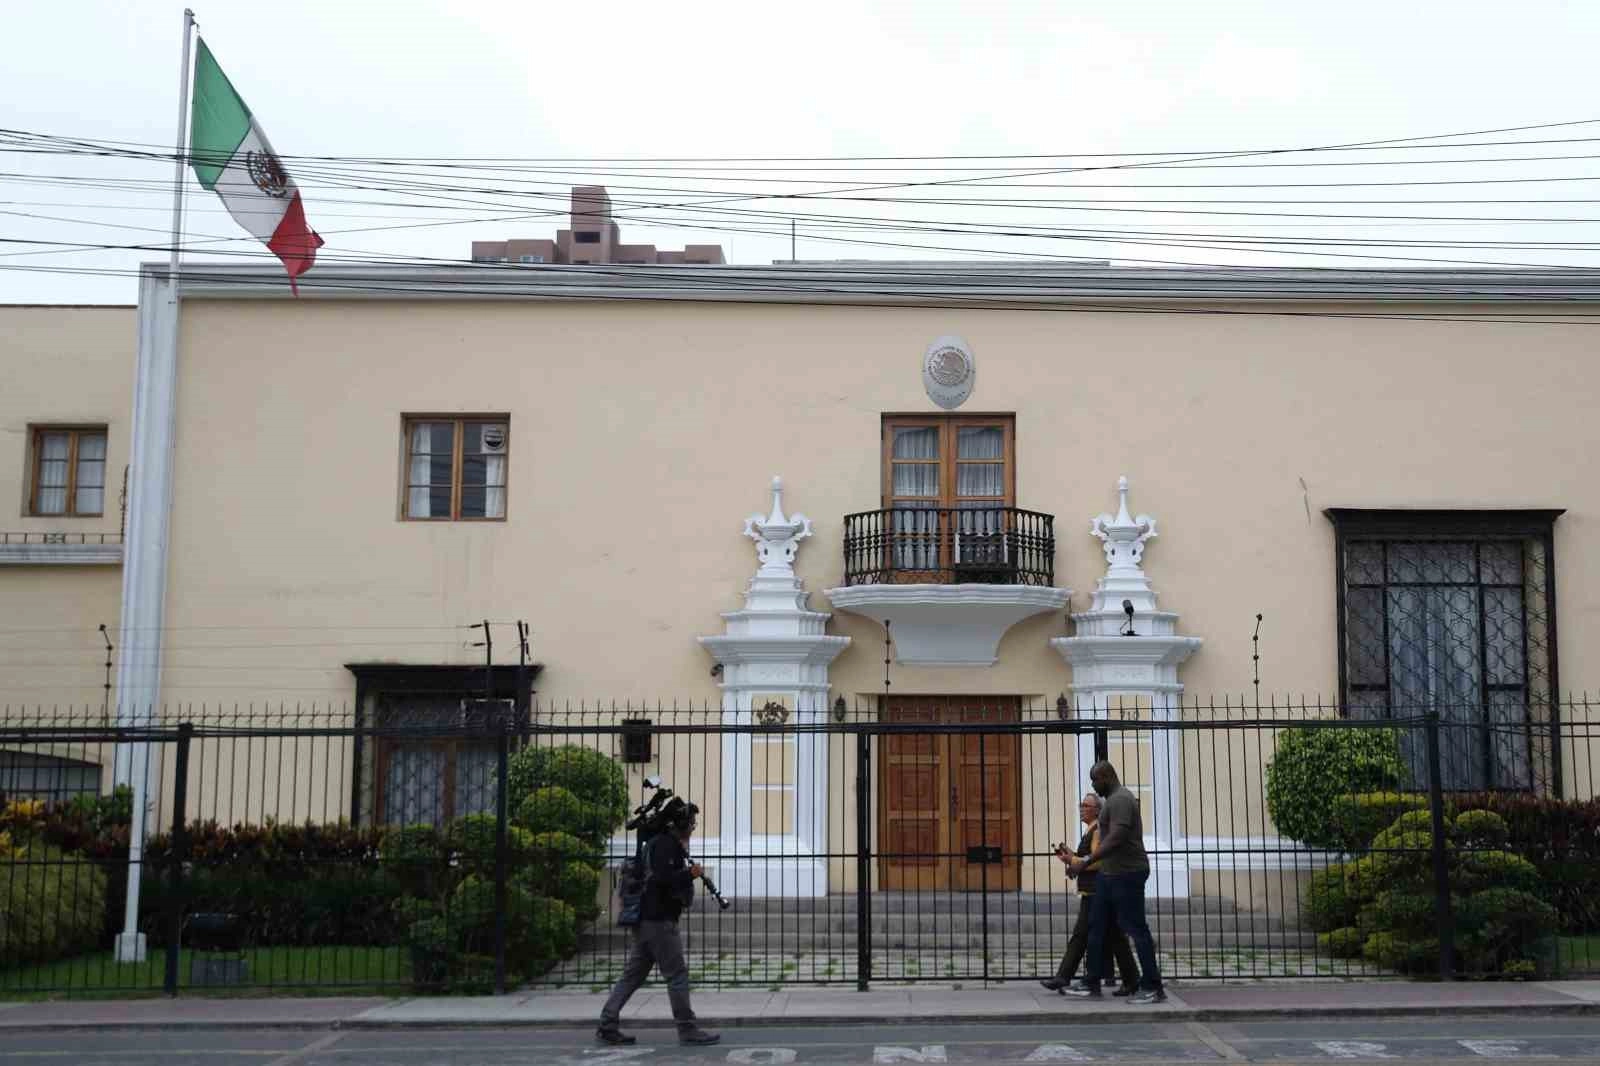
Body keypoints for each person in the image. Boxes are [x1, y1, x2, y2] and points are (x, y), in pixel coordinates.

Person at [597, 803, 720, 1046]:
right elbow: (663, 880)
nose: (692, 828)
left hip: (646, 919)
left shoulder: (658, 843)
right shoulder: (666, 846)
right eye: (691, 823)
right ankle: (687, 1029)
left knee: (633, 975)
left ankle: (607, 1023)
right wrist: (690, 874)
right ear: (679, 824)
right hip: (659, 921)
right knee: (677, 975)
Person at [1064, 760, 1166, 1004]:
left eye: (1095, 780)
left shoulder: (1120, 799)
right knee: (1096, 927)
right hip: (1110, 874)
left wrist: (1085, 860)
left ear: (1107, 777)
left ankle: (1153, 986)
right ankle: (1091, 982)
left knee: (1136, 929)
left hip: (1127, 873)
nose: (1093, 785)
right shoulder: (1113, 800)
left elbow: (1117, 837)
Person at [1041, 792, 1138, 996]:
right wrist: (1072, 857)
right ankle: (1131, 980)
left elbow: (1098, 860)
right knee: (1115, 937)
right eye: (1081, 804)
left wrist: (1073, 860)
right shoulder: (1092, 830)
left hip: (1096, 891)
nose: (1082, 808)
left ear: (1097, 810)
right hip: (1096, 890)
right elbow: (1087, 858)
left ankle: (1066, 977)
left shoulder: (1098, 830)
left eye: (1086, 805)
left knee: (1082, 935)